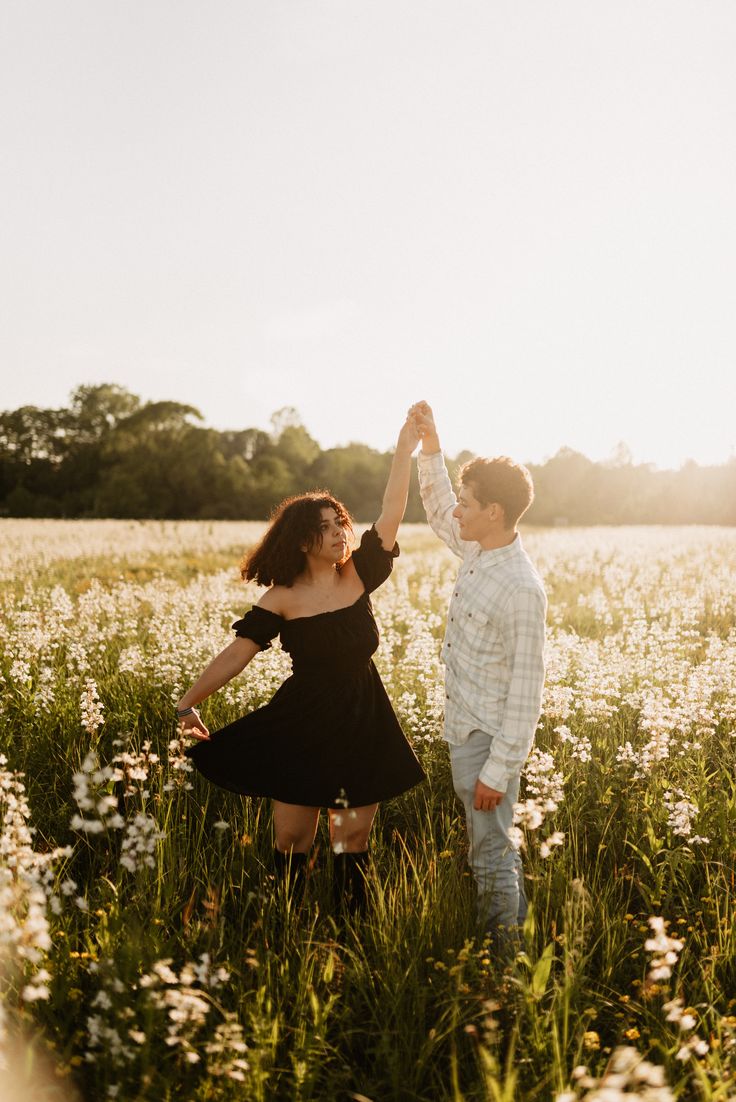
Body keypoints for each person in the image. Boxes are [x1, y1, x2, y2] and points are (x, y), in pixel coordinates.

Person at [176, 416, 425, 911]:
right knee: (292, 843)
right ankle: (284, 930)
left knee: (351, 842)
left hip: (364, 719)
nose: (339, 533)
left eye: (340, 524)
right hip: (302, 723)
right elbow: (237, 653)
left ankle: (349, 934)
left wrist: (403, 450)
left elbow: (392, 509)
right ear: (302, 541)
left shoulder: (360, 573)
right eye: (326, 528)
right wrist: (188, 704)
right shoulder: (282, 599)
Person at [409, 400, 546, 948]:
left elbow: (526, 693)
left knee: (490, 856)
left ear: (494, 511)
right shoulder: (475, 547)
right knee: (491, 852)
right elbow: (438, 504)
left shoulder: (520, 587)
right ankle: (515, 949)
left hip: (488, 743)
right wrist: (432, 447)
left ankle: (507, 975)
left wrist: (498, 768)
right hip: (465, 733)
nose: (458, 512)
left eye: (469, 504)